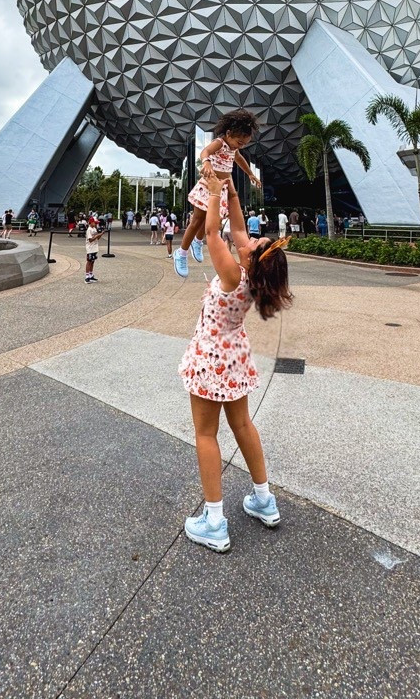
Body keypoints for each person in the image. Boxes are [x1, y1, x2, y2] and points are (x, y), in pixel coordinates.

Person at [178, 170, 293, 552]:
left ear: (250, 257)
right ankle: (263, 499)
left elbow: (212, 235)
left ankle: (214, 520)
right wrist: (230, 192)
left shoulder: (232, 275)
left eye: (256, 242)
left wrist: (213, 195)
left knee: (206, 434)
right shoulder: (251, 273)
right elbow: (239, 228)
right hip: (235, 357)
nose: (253, 237)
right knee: (242, 424)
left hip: (212, 357)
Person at [174, 109, 262, 277]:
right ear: (228, 133)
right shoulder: (220, 143)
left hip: (221, 189)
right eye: (239, 142)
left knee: (212, 220)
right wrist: (206, 162)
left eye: (244, 144)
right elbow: (204, 152)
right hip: (209, 185)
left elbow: (239, 159)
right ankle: (182, 252)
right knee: (197, 219)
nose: (240, 146)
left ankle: (197, 242)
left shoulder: (233, 148)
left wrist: (250, 173)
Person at [84, 217, 102, 283]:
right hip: (90, 248)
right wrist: (97, 236)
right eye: (95, 223)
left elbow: (97, 238)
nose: (96, 224)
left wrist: (100, 234)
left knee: (92, 261)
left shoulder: (94, 228)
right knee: (89, 261)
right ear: (91, 222)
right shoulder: (89, 230)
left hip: (95, 247)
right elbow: (90, 240)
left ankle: (91, 275)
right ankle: (87, 276)